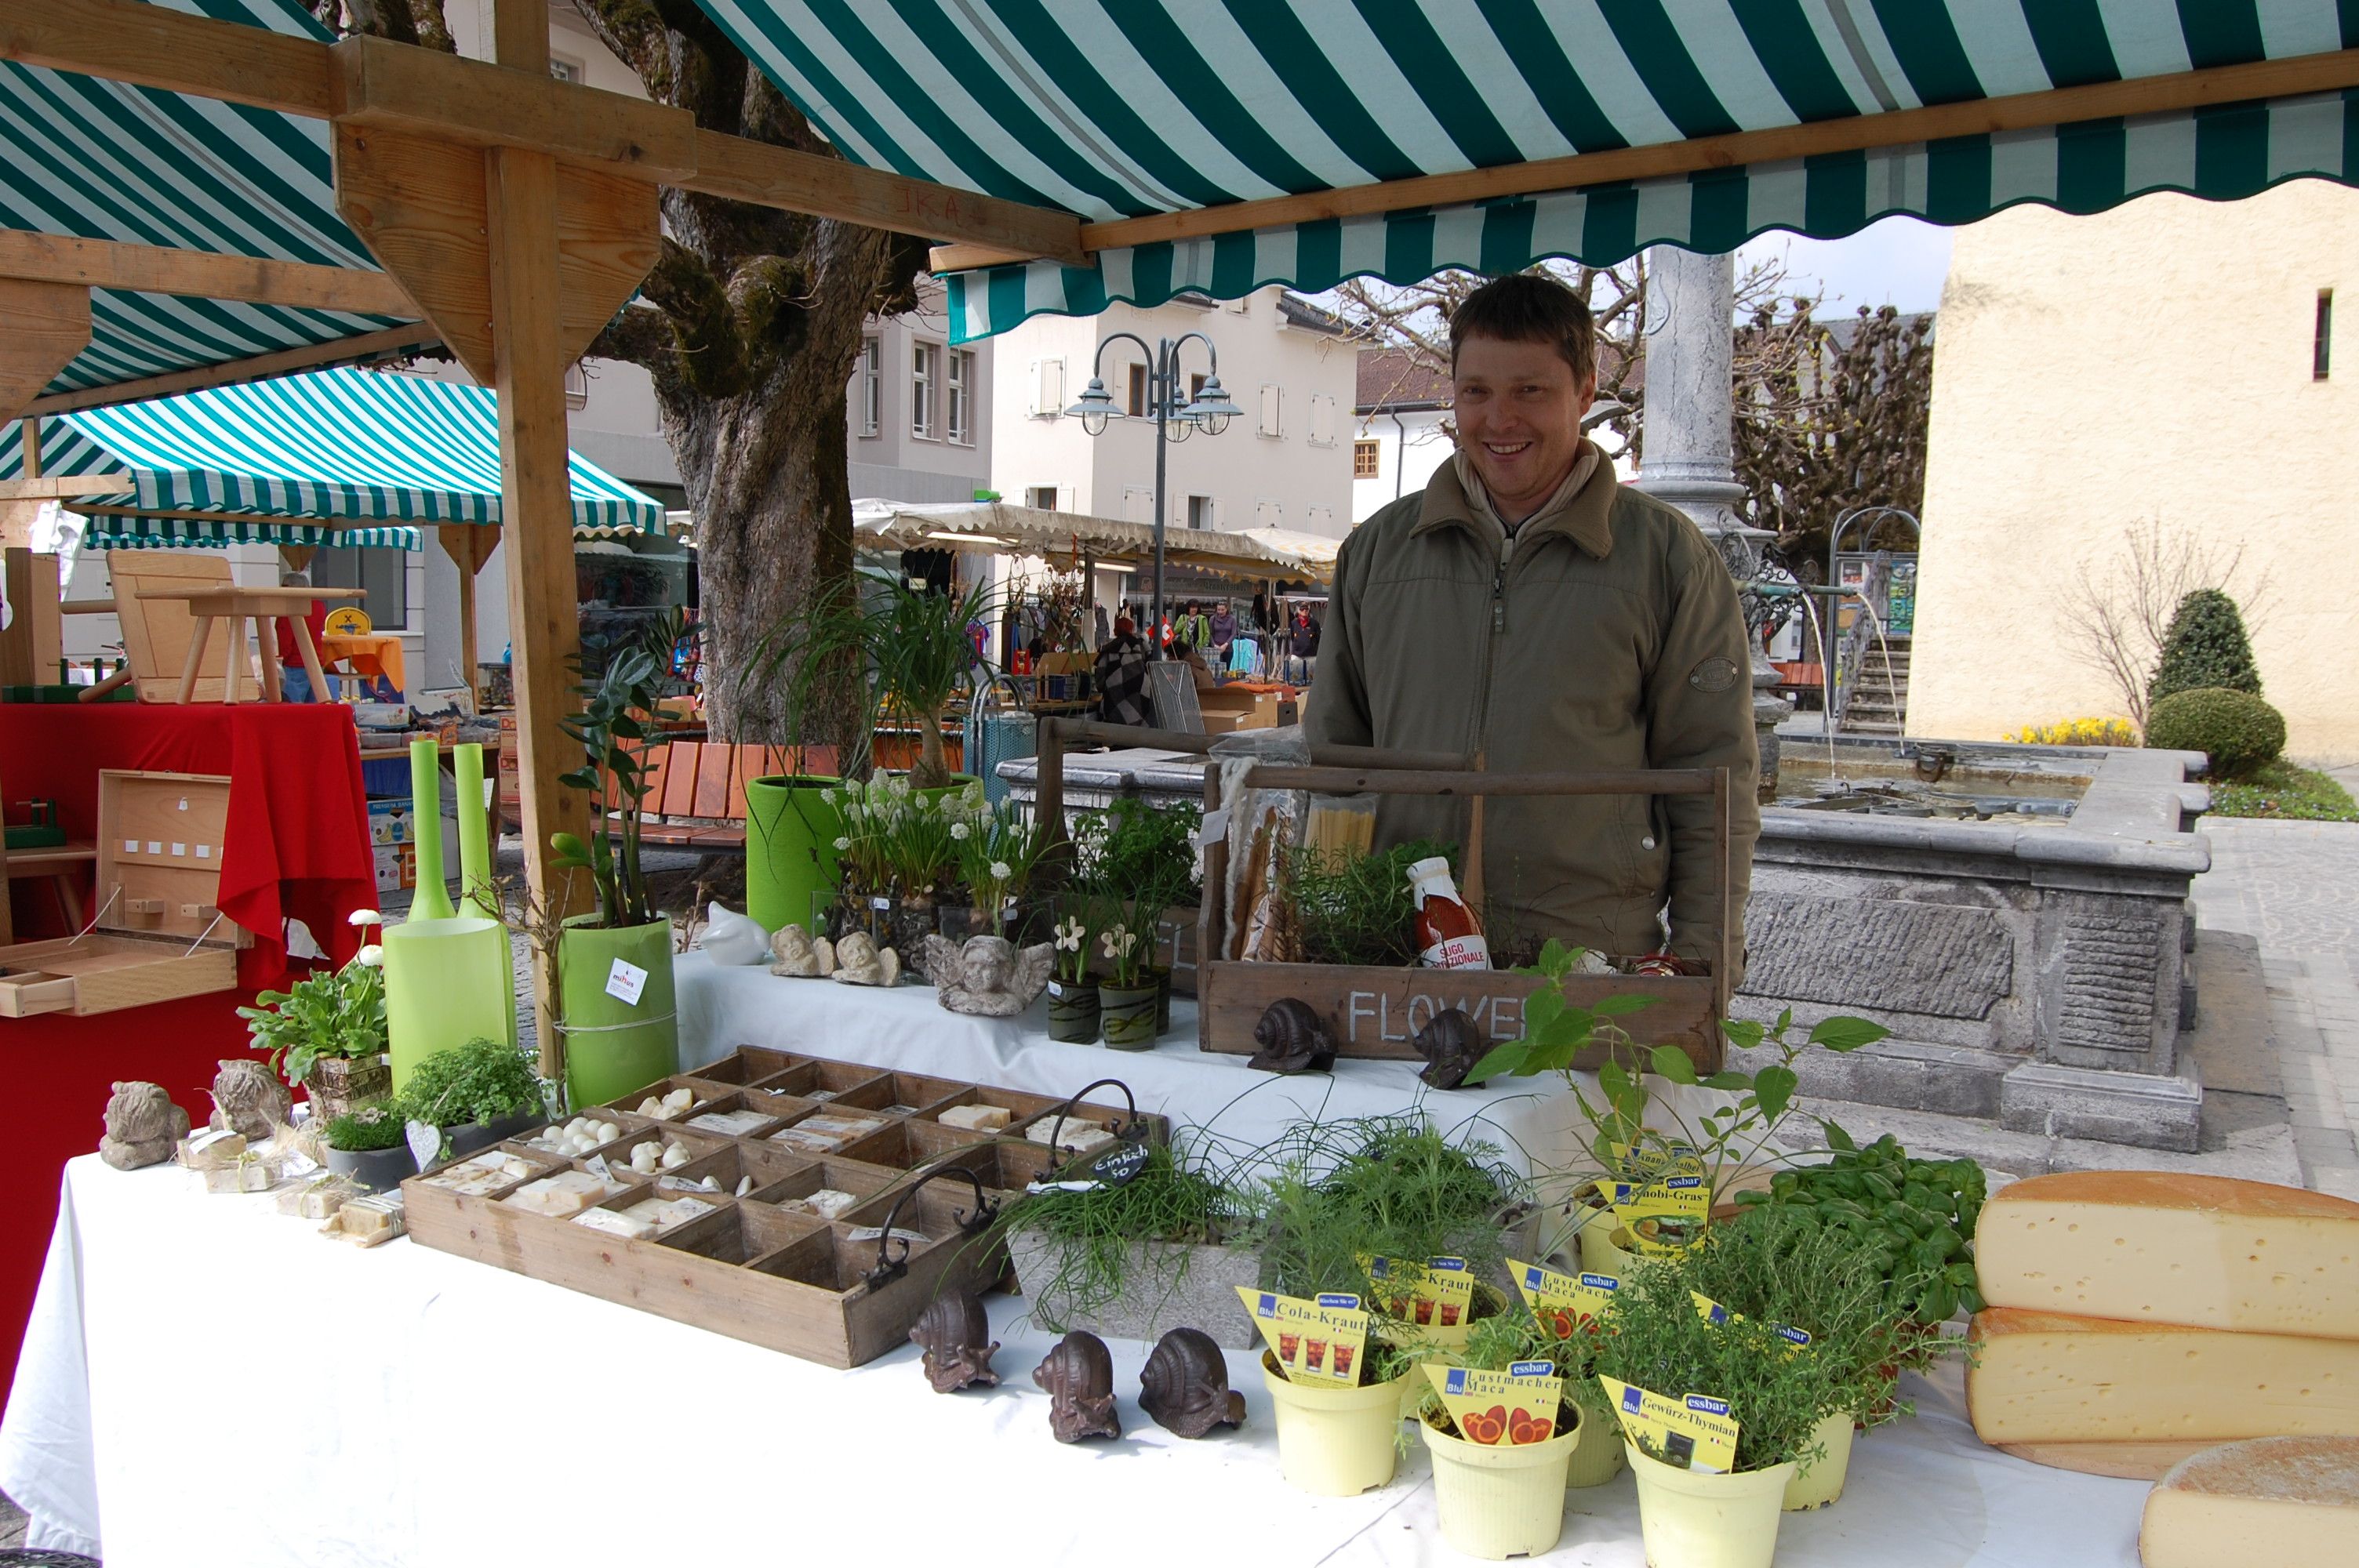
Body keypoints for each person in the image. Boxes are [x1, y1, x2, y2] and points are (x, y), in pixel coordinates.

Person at [1303, 271, 1757, 975]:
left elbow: (1714, 777)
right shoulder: (1378, 552)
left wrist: (1703, 961)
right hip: (1398, 942)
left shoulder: (1668, 558)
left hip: (1588, 953)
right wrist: (1322, 937)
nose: (1499, 420)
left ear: (1585, 391)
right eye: (1476, 392)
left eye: (1529, 391)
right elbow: (1335, 764)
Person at [275, 571, 332, 703]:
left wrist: (280, 661)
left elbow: (285, 643)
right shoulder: (319, 606)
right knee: (315, 708)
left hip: (294, 664)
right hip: (316, 662)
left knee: (293, 708)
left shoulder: (288, 610)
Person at [1094, 615, 1154, 726]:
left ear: (1115, 630)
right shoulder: (1141, 645)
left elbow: (1100, 677)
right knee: (1138, 728)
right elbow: (1152, 665)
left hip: (1114, 695)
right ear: (1131, 629)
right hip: (1140, 692)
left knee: (1116, 729)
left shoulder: (1109, 648)